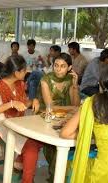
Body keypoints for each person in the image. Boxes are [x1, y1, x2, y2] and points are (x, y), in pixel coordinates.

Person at [0, 55, 41, 183]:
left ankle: (20, 160)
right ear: (16, 72)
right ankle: (27, 179)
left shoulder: (19, 84)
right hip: (0, 124)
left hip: (14, 121)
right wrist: (11, 104)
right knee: (31, 146)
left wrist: (33, 101)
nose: (26, 72)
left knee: (38, 139)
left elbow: (23, 104)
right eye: (24, 70)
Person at [37, 53, 80, 182]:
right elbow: (50, 106)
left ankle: (59, 176)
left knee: (65, 141)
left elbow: (76, 103)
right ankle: (55, 176)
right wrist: (72, 109)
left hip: (65, 117)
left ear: (69, 67)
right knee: (53, 143)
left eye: (62, 66)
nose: (58, 69)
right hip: (46, 116)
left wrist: (74, 85)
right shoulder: (46, 80)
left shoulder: (69, 79)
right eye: (56, 65)